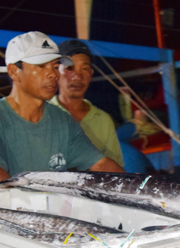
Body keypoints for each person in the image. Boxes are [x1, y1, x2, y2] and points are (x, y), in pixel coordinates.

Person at [0, 31, 124, 189]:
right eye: (41, 66)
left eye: (55, 66)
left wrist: (138, 189)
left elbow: (100, 164)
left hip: (44, 208)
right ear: (13, 71)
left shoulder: (63, 121)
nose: (52, 74)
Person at [48, 39, 124, 168]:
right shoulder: (41, 113)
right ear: (56, 72)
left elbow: (114, 170)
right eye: (69, 68)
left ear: (91, 73)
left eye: (84, 68)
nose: (77, 76)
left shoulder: (103, 120)